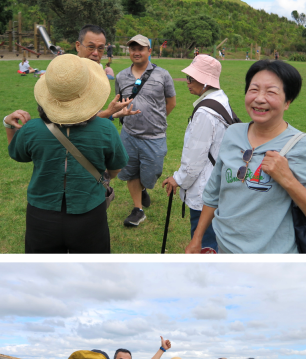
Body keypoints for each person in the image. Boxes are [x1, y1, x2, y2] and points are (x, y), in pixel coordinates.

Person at [186, 60, 306, 253]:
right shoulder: (233, 133)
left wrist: (288, 180)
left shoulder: (305, 147)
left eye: (271, 92)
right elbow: (213, 192)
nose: (259, 99)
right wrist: (198, 239)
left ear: (288, 101)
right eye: (254, 89)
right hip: (224, 251)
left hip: (271, 265)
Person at [2, 54, 128, 253]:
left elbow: (17, 154)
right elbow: (116, 168)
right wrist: (104, 176)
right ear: (88, 92)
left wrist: (8, 124)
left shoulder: (32, 129)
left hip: (41, 216)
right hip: (89, 213)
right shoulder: (106, 129)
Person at [162, 55, 235, 252]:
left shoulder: (204, 113)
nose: (187, 82)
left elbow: (194, 160)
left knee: (205, 246)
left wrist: (177, 179)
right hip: (219, 184)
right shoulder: (221, 99)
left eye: (191, 78)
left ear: (205, 82)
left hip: (205, 192)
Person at [115, 34, 177, 228]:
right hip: (129, 134)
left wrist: (155, 120)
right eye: (133, 48)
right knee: (131, 172)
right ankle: (138, 210)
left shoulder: (163, 75)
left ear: (149, 51)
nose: (136, 52)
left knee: (152, 173)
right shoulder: (120, 76)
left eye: (141, 48)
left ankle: (142, 190)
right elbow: (117, 104)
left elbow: (171, 102)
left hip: (155, 136)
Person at [73, 25, 139, 120]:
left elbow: (90, 114)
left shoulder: (96, 74)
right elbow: (74, 121)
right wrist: (108, 112)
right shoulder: (66, 76)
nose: (96, 53)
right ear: (78, 46)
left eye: (100, 48)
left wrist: (114, 114)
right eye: (91, 47)